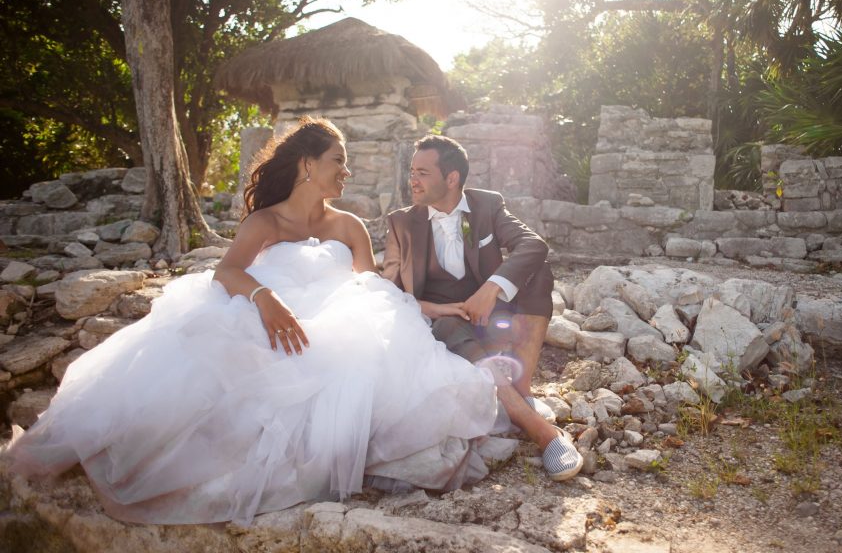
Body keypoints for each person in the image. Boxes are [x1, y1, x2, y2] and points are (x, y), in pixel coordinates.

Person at [3, 118, 580, 527]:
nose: (346, 172)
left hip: (340, 328)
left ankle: (528, 418)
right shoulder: (266, 222)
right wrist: (264, 298)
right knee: (200, 374)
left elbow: (375, 293)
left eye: (347, 163)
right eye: (338, 162)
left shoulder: (352, 225)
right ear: (307, 164)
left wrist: (430, 308)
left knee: (369, 368)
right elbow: (226, 272)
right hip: (272, 317)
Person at [382, 135, 556, 419]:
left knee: (540, 269)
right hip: (443, 324)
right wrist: (436, 309)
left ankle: (523, 391)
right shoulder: (401, 223)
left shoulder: (486, 205)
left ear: (451, 179)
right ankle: (509, 401)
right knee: (446, 327)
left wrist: (490, 290)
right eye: (412, 172)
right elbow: (388, 292)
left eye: (423, 173)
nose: (413, 180)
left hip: (491, 315)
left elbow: (533, 244)